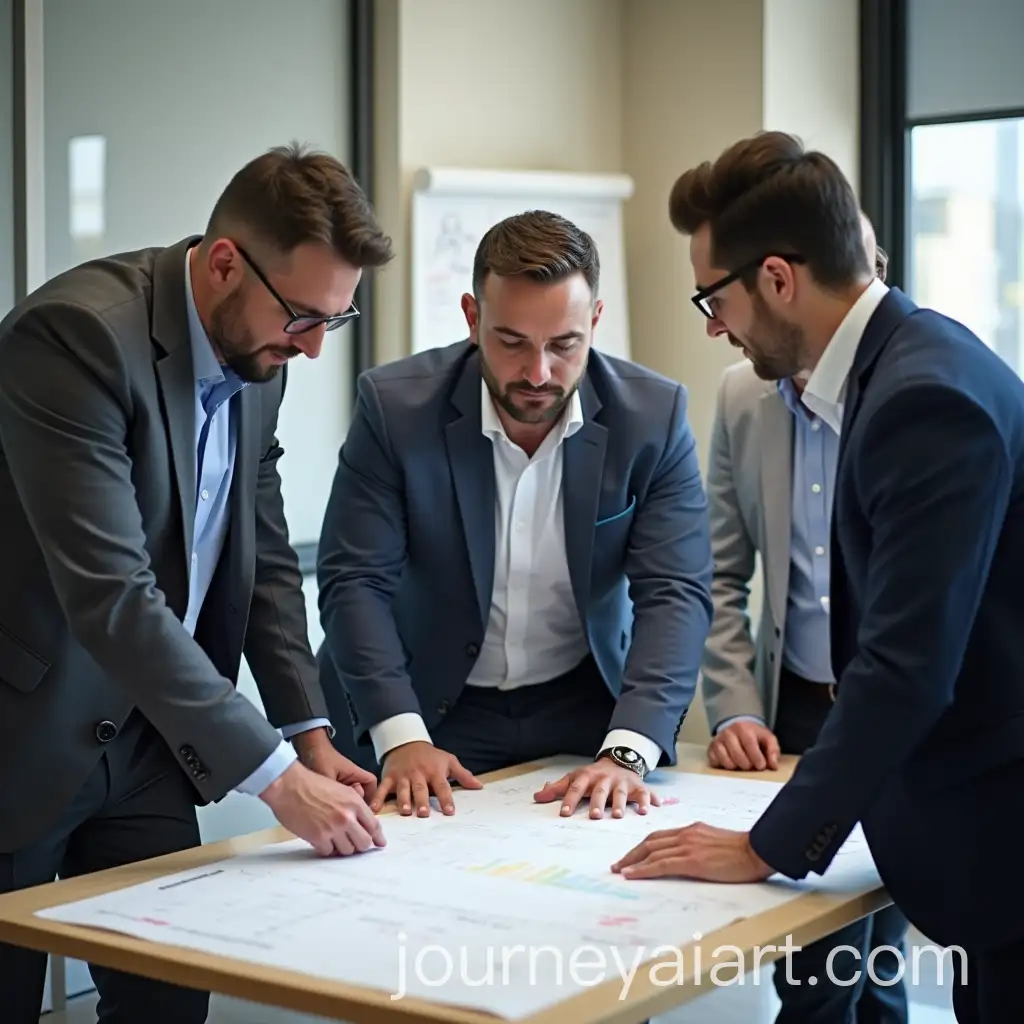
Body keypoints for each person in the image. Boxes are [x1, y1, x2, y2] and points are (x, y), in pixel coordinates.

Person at [610, 130, 1024, 1023]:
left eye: (712, 299)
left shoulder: (922, 400)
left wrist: (767, 844)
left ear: (778, 279)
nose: (714, 326)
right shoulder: (904, 366)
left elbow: (906, 668)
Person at [0, 143, 393, 1024]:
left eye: (337, 319)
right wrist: (273, 777)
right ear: (224, 263)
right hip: (20, 731)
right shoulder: (75, 340)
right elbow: (111, 593)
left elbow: (262, 552)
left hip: (143, 743)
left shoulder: (261, 359)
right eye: (302, 317)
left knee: (168, 1005)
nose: (315, 348)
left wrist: (310, 731)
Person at [316, 209, 714, 820]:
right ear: (473, 319)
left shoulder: (652, 418)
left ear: (595, 322)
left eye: (564, 344)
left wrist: (629, 753)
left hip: (586, 707)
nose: (538, 373)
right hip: (424, 705)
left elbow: (675, 593)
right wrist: (402, 736)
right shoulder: (395, 409)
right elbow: (355, 582)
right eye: (512, 342)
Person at [700, 217, 908, 1021]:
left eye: (720, 299)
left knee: (878, 959)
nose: (717, 325)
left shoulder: (899, 393)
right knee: (818, 971)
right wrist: (736, 706)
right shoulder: (741, 392)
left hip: (886, 711)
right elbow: (719, 571)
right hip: (789, 716)